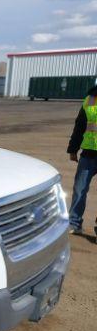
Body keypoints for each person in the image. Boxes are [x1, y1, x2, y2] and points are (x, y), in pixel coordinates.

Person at [67, 82, 97, 235]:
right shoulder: (90, 100)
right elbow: (79, 126)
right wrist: (73, 149)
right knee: (80, 189)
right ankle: (74, 223)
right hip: (89, 154)